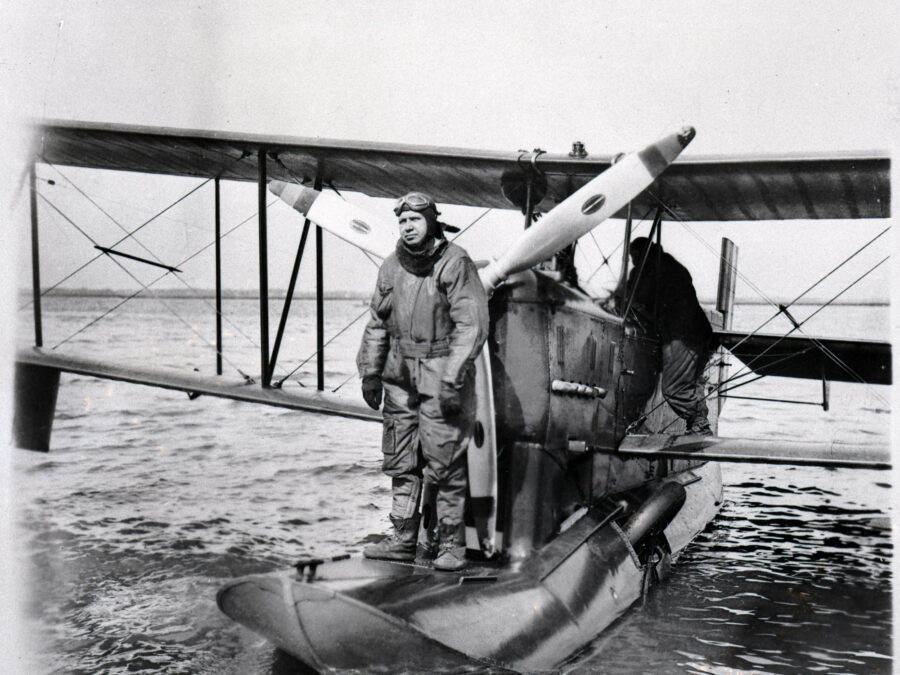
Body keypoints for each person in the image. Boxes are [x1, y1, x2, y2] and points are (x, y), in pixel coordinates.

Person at [357, 191, 489, 571]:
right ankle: (402, 539)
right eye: (402, 221)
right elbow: (378, 323)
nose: (407, 227)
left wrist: (452, 377)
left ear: (431, 222)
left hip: (440, 373)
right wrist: (370, 372)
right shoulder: (391, 266)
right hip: (399, 376)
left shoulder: (455, 262)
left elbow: (471, 324)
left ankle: (451, 546)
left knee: (443, 461)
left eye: (415, 220)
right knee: (400, 460)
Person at [623, 237, 712, 435]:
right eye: (631, 257)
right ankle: (698, 424)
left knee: (674, 389)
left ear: (646, 254)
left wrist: (632, 301)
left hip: (683, 334)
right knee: (687, 383)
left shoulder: (662, 270)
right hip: (687, 331)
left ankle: (699, 424)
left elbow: (641, 298)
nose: (633, 260)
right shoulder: (656, 268)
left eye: (636, 256)